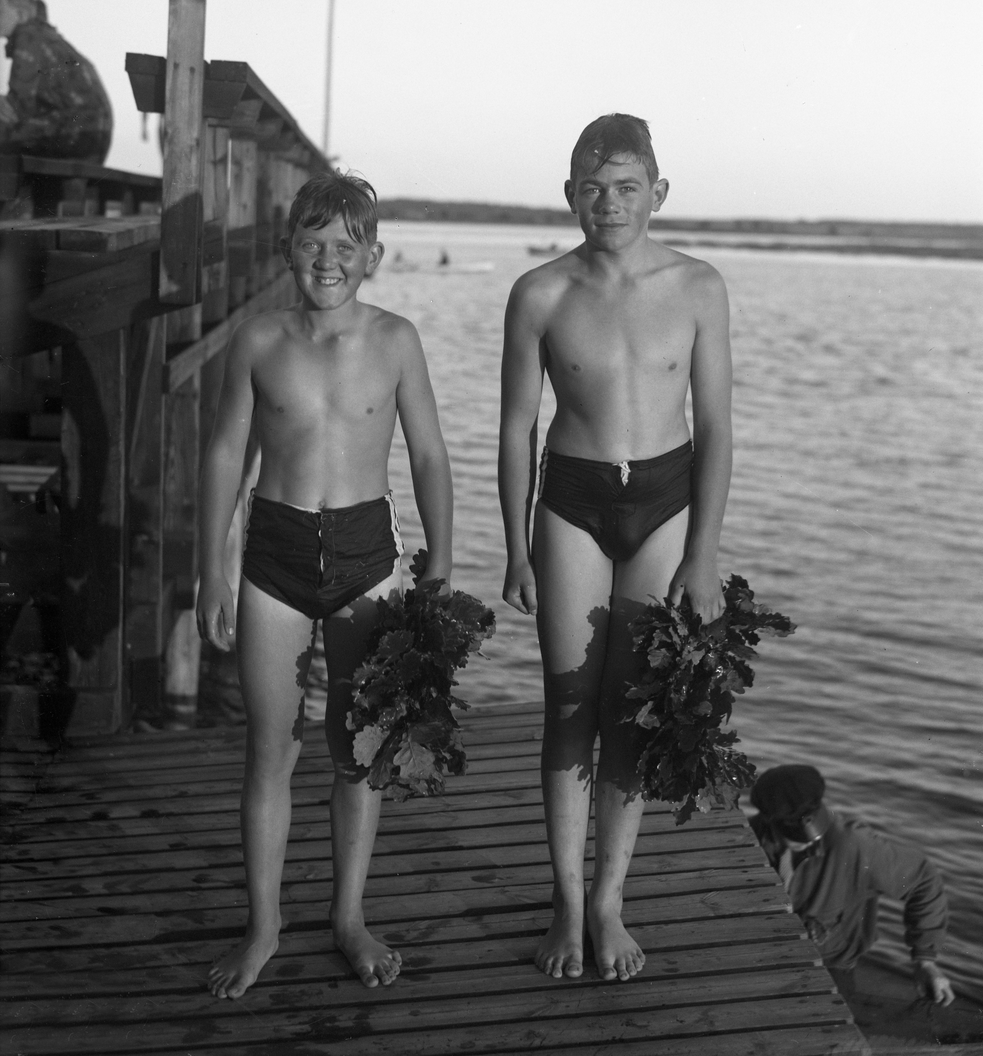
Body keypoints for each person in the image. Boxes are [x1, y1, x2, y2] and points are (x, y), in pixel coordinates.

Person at [196, 170, 453, 997]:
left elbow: (426, 454)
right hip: (270, 552)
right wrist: (211, 570)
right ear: (287, 250)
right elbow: (225, 454)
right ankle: (263, 926)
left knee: (356, 752)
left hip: (364, 558)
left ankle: (348, 917)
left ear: (372, 257)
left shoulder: (395, 339)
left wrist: (440, 560)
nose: (327, 260)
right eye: (311, 244)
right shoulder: (260, 341)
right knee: (268, 750)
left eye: (345, 247)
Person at [498, 114, 732, 981]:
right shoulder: (540, 292)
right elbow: (516, 427)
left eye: (627, 186)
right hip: (573, 499)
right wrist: (517, 547)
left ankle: (608, 901)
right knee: (569, 704)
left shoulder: (698, 286)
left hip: (665, 502)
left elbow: (716, 428)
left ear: (657, 194)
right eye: (592, 187)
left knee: (631, 706)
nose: (609, 202)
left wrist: (702, 552)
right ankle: (564, 901)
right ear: (568, 195)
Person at [749, 764, 954, 1006]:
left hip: (829, 966)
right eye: (788, 831)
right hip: (760, 955)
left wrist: (925, 959)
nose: (800, 841)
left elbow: (924, 881)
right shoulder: (751, 836)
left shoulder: (855, 845)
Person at [0, 0, 113, 163]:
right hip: (92, 137)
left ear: (20, 12)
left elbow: (18, 108)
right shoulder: (46, 36)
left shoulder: (28, 38)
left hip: (73, 134)